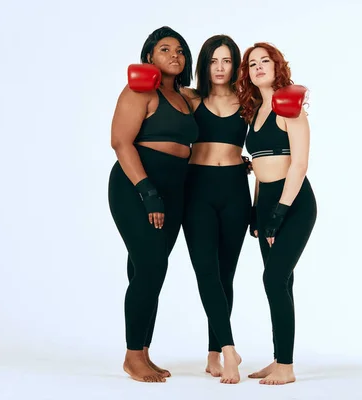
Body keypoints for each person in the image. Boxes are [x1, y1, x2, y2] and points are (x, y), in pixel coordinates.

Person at [108, 26, 198, 383]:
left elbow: (222, 99)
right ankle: (132, 356)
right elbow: (120, 142)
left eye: (179, 50)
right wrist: (148, 193)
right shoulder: (139, 90)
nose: (174, 54)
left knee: (150, 271)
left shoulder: (186, 98)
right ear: (150, 57)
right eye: (165, 49)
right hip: (138, 187)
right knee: (150, 266)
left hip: (176, 191)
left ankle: (143, 351)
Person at [235, 42, 317, 385]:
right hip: (266, 200)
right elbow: (258, 167)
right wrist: (257, 210)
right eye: (252, 64)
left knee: (274, 278)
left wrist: (280, 212)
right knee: (280, 281)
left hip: (294, 203)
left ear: (276, 65)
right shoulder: (254, 112)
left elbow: (298, 165)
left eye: (264, 61)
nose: (258, 67)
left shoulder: (289, 107)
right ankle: (280, 357)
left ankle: (286, 366)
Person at [179, 34, 248, 385]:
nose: (220, 68)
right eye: (213, 61)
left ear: (235, 65)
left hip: (236, 189)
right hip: (198, 190)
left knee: (226, 275)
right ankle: (229, 349)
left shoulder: (248, 100)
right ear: (204, 64)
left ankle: (212, 355)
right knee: (206, 271)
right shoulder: (191, 99)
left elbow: (271, 131)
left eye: (226, 61)